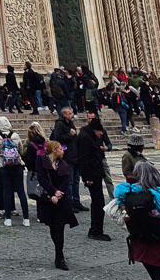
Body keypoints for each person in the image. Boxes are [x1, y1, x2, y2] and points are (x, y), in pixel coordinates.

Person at [35, 138, 77, 270]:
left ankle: (59, 257)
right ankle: (59, 254)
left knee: (60, 227)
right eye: (60, 149)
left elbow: (66, 180)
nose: (62, 151)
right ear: (53, 150)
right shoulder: (41, 160)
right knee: (53, 227)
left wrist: (58, 194)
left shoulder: (63, 164)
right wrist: (53, 192)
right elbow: (41, 178)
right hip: (47, 199)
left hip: (61, 200)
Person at [77, 113, 111, 241]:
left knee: (98, 202)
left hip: (95, 173)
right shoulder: (86, 138)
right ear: (95, 130)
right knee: (98, 203)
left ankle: (96, 229)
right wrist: (87, 178)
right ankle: (96, 230)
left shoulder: (89, 136)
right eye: (99, 131)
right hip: (92, 175)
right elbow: (84, 159)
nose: (101, 134)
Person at [0, 116, 29, 227]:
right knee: (21, 191)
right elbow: (21, 150)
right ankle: (26, 219)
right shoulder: (15, 135)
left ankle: (8, 219)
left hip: (4, 166)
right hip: (17, 165)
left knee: (7, 191)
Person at [49, 107, 83, 211]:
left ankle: (76, 201)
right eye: (69, 113)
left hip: (75, 156)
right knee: (70, 181)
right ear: (64, 114)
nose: (72, 115)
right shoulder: (59, 124)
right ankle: (70, 202)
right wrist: (70, 134)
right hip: (67, 157)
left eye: (71, 113)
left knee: (76, 180)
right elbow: (58, 138)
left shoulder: (70, 123)